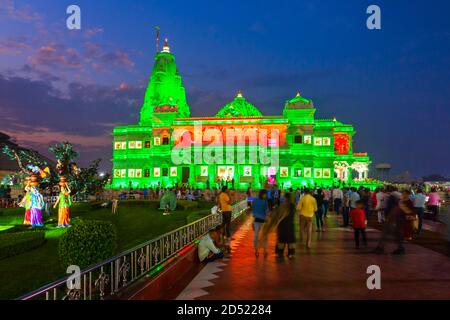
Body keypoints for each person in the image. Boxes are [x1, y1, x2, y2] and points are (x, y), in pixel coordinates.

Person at [275, 192, 296, 258]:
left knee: (281, 240)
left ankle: (280, 253)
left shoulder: (282, 205)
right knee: (291, 241)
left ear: (285, 198)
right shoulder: (293, 206)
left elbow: (278, 216)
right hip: (290, 225)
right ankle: (291, 254)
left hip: (282, 225)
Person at [252, 189, 269, 257]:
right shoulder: (265, 202)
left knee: (256, 236)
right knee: (264, 236)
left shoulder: (255, 200)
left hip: (256, 220)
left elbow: (253, 210)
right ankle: (264, 251)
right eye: (265, 194)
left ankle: (256, 251)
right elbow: (266, 212)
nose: (266, 195)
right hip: (263, 221)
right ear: (263, 194)